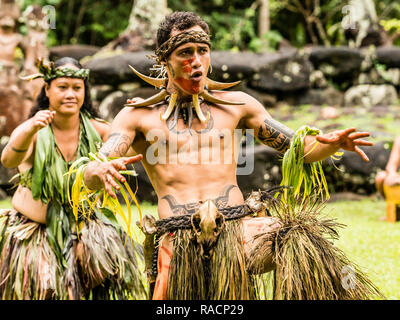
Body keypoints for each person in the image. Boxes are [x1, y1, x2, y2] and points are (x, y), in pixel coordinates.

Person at [82, 12, 381, 300]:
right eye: (186, 52)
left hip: (237, 232)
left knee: (299, 239)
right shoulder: (137, 117)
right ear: (165, 60)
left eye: (203, 50)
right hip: (178, 237)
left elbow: (298, 149)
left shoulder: (237, 105)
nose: (196, 61)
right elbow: (96, 166)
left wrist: (333, 145)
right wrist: (96, 174)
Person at [0, 57, 146, 300]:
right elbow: (8, 160)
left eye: (77, 88)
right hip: (34, 233)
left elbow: (134, 144)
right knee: (45, 288)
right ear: (47, 89)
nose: (70, 94)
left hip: (86, 230)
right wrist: (29, 128)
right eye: (62, 87)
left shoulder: (99, 130)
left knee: (98, 273)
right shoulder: (33, 131)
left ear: (84, 91)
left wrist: (141, 112)